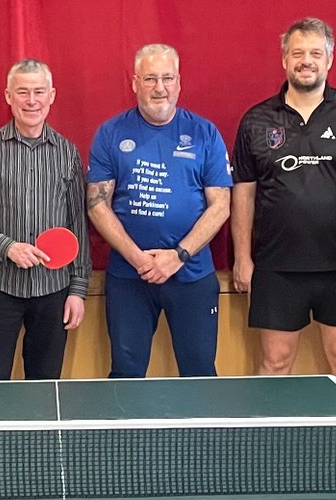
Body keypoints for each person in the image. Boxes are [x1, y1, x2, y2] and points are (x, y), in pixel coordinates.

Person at [230, 17, 336, 400]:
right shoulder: (256, 120)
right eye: (297, 53)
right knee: (275, 362)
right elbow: (244, 193)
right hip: (275, 265)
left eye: (315, 53)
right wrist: (242, 257)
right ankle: (268, 455)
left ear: (330, 59)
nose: (306, 61)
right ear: (284, 59)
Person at [86, 44, 231, 378]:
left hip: (192, 275)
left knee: (199, 373)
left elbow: (221, 206)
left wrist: (177, 256)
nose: (160, 87)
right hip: (129, 277)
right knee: (125, 372)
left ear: (179, 82)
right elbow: (97, 205)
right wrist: (139, 259)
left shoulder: (205, 133)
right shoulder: (110, 133)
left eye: (167, 78)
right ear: (135, 82)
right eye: (150, 78)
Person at [0, 59, 90, 380]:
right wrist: (6, 246)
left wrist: (78, 289)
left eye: (39, 92)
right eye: (23, 92)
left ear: (52, 96)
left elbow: (77, 225)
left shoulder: (68, 153)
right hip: (0, 289)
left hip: (53, 290)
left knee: (45, 388)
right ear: (8, 96)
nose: (31, 100)